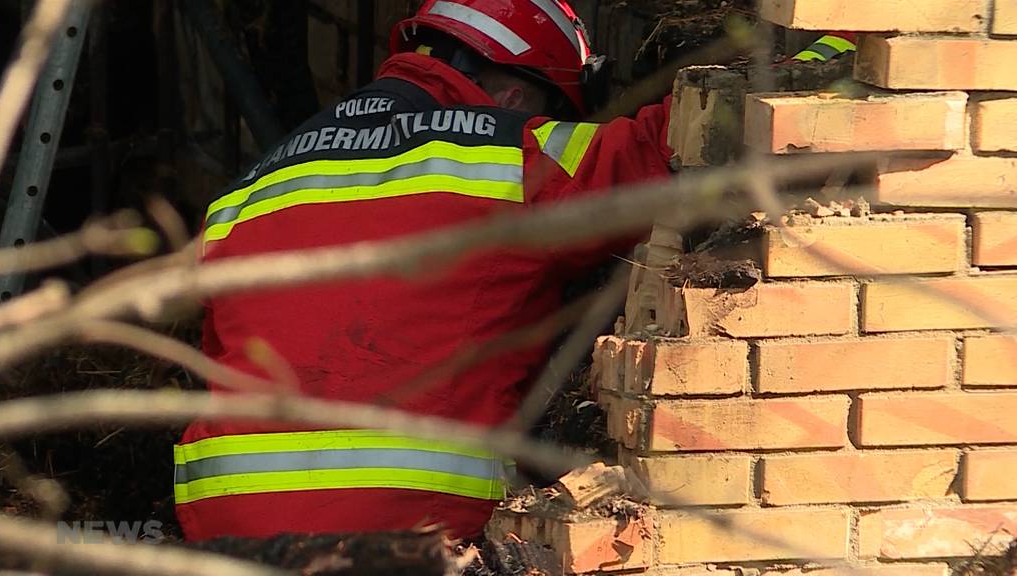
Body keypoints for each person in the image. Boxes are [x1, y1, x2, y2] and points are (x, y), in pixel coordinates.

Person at [175, 0, 675, 542]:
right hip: (407, 519)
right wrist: (779, 59)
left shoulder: (246, 192)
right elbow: (669, 143)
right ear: (514, 93)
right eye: (550, 110)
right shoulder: (514, 156)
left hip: (223, 520)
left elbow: (219, 352)